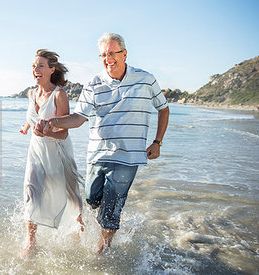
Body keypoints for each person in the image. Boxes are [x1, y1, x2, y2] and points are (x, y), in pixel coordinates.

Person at [36, 33, 170, 255]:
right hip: (98, 154)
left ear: (124, 54)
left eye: (112, 53)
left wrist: (157, 142)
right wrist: (54, 122)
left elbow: (163, 108)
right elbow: (78, 118)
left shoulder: (146, 79)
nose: (108, 58)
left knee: (111, 206)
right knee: (91, 198)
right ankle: (107, 223)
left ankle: (104, 249)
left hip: (129, 156)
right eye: (103, 55)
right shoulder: (94, 83)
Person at [20, 49, 84, 257]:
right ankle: (31, 243)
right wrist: (27, 127)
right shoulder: (32, 93)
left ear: (51, 69)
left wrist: (49, 131)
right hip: (36, 152)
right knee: (31, 192)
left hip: (58, 152)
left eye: (40, 66)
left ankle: (80, 232)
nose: (35, 70)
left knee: (72, 197)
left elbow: (64, 132)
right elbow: (34, 116)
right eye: (33, 66)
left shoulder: (59, 94)